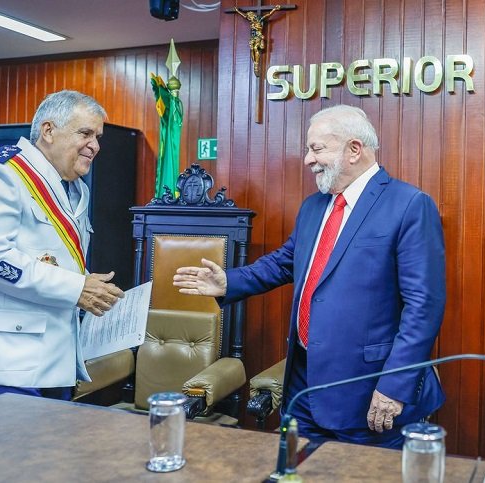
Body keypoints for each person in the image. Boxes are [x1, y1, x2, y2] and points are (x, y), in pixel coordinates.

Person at [173, 105, 446, 448]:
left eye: (317, 149)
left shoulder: (409, 204)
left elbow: (424, 307)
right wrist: (230, 282)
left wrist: (394, 386)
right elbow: (284, 262)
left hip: (369, 390)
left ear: (354, 149)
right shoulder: (314, 206)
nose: (307, 160)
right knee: (297, 468)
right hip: (304, 386)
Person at [0, 90, 124, 407]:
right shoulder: (1, 173)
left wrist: (87, 282)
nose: (95, 145)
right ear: (48, 130)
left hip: (52, 361)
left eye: (97, 137)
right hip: (1, 362)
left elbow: (49, 256)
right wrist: (76, 287)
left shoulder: (74, 187)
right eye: (85, 133)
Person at [234, 5, 281, 76]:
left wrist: (274, 9)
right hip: (253, 37)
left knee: (256, 48)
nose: (249, 18)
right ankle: (255, 62)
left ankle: (256, 64)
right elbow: (244, 16)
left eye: (250, 17)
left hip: (258, 37)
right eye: (249, 17)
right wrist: (237, 11)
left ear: (253, 16)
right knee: (252, 48)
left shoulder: (259, 19)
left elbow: (268, 14)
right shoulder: (251, 21)